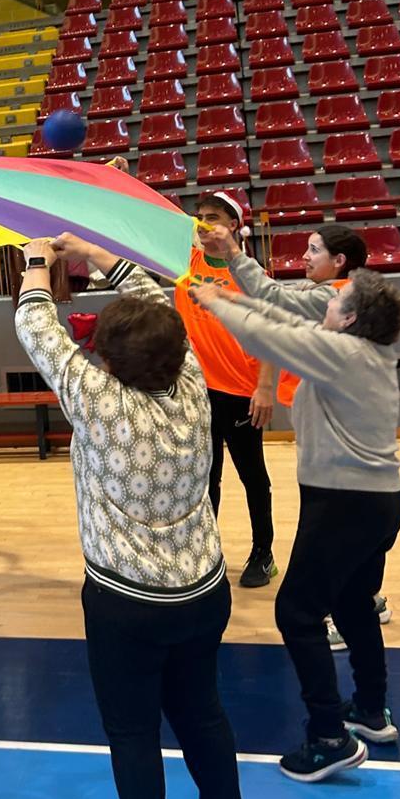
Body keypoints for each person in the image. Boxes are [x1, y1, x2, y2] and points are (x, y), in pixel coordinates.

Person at [16, 233, 248, 799]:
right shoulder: (194, 382)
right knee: (204, 714)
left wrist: (37, 259)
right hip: (203, 590)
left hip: (128, 604)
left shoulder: (98, 398)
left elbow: (36, 324)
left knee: (133, 731)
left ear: (109, 359)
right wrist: (97, 253)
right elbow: (152, 303)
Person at [188, 267, 400, 782]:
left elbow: (268, 335)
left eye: (335, 301)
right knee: (353, 604)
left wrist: (217, 305)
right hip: (377, 502)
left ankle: (329, 736)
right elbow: (283, 316)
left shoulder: (341, 354)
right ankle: (371, 711)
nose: (325, 304)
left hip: (344, 504)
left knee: (297, 613)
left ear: (349, 318)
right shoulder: (360, 349)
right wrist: (226, 293)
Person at [198, 219, 390, 645]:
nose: (303, 256)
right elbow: (277, 302)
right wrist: (226, 294)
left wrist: (230, 259)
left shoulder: (335, 298)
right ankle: (364, 600)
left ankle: (348, 611)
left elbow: (273, 302)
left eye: (314, 250)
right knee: (354, 536)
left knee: (328, 546)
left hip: (343, 469)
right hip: (350, 464)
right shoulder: (335, 294)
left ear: (339, 262)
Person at [172, 192, 277, 588]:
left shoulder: (251, 276)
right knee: (205, 478)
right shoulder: (185, 263)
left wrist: (265, 387)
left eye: (212, 217)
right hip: (196, 392)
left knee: (253, 476)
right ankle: (206, 552)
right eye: (199, 218)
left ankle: (263, 553)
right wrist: (119, 178)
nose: (202, 224)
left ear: (234, 225)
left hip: (241, 391)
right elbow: (147, 222)